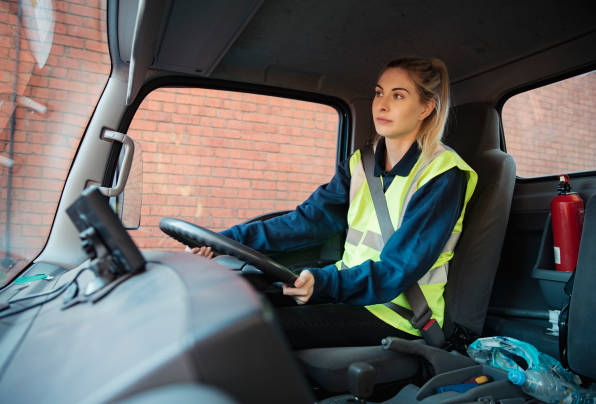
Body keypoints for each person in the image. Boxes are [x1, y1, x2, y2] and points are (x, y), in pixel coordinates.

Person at [192, 57, 478, 349]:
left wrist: (325, 283)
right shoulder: (361, 165)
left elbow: (398, 269)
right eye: (379, 92)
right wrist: (224, 240)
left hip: (399, 315)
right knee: (238, 308)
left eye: (398, 96)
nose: (382, 105)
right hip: (353, 294)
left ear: (426, 108)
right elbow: (306, 222)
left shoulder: (442, 175)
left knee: (255, 332)